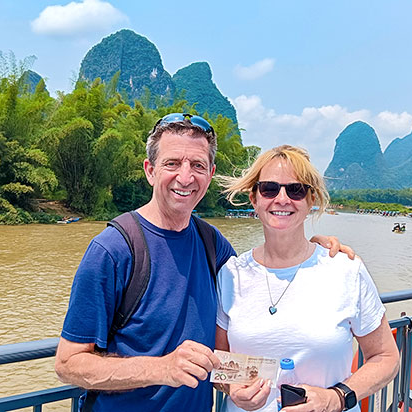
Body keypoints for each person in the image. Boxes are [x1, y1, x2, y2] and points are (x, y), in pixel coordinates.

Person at [54, 114, 353, 412]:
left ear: (210, 174)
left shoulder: (212, 244)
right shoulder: (114, 250)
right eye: (172, 163)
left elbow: (259, 282)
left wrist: (309, 249)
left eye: (197, 166)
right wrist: (162, 369)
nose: (185, 177)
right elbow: (68, 364)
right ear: (150, 170)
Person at [215, 145, 400, 412]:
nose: (282, 198)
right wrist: (231, 386)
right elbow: (221, 362)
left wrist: (336, 398)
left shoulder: (345, 270)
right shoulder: (231, 274)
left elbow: (386, 357)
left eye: (296, 190)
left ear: (311, 200)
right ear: (254, 198)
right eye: (269, 188)